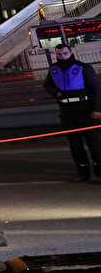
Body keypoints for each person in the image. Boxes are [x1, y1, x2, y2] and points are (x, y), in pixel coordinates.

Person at [43, 42, 101, 182]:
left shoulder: (83, 67)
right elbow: (47, 84)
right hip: (67, 112)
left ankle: (100, 173)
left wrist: (97, 109)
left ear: (70, 53)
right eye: (59, 54)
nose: (62, 56)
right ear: (56, 55)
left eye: (65, 53)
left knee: (94, 144)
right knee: (75, 145)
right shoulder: (53, 69)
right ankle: (83, 174)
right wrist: (56, 93)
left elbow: (96, 89)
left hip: (85, 109)